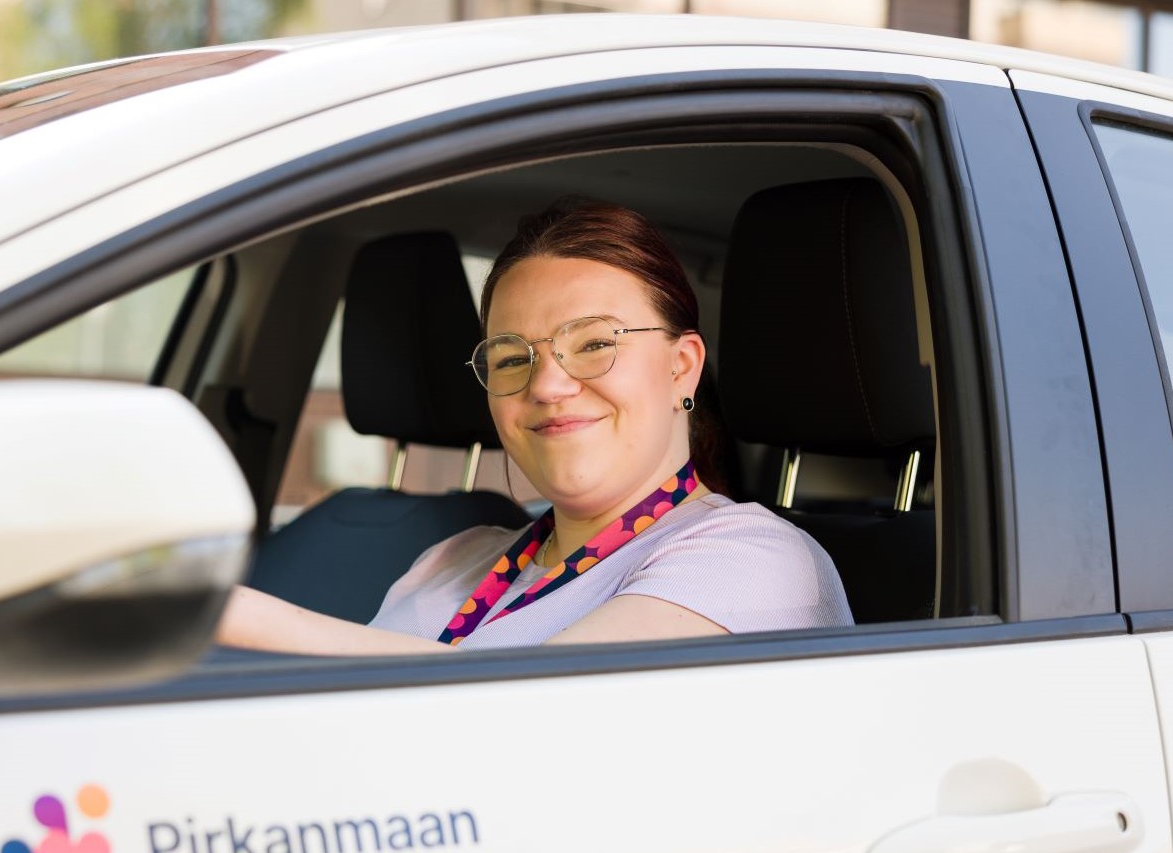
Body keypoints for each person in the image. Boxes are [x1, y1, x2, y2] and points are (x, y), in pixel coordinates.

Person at [216, 197, 852, 653]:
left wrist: (234, 617)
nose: (546, 386)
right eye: (512, 358)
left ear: (681, 367)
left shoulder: (754, 559)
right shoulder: (452, 558)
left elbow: (524, 713)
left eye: (595, 344)